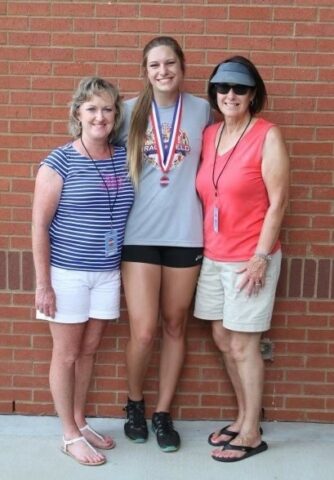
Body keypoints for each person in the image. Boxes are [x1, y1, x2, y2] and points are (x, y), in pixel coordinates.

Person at [32, 77, 134, 466]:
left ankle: (79, 419)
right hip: (67, 274)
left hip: (107, 272)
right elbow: (39, 225)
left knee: (89, 350)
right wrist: (44, 284)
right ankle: (68, 434)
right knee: (67, 353)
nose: (100, 116)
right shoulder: (59, 161)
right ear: (78, 113)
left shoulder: (123, 156)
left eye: (108, 109)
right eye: (92, 108)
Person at [119, 36, 212, 452]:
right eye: (154, 65)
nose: (163, 72)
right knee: (144, 331)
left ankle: (163, 413)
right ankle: (135, 403)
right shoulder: (126, 113)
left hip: (186, 234)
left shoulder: (202, 110)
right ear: (145, 71)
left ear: (182, 66)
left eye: (170, 63)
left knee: (176, 325)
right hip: (138, 234)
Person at [195, 56, 289, 462]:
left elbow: (279, 202)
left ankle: (251, 432)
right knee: (221, 338)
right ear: (214, 93)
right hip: (214, 257)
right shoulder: (209, 134)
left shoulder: (267, 136)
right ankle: (243, 416)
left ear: (254, 94)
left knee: (244, 344)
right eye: (223, 88)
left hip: (250, 258)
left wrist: (260, 258)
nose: (230, 95)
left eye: (240, 89)